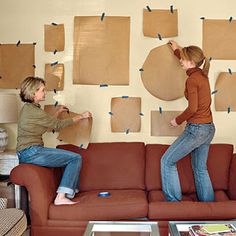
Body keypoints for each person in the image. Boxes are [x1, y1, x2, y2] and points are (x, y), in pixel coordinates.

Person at [16, 76, 92, 205]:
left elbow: (48, 125)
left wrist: (57, 113)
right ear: (33, 92)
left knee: (74, 158)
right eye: (42, 90)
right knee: (75, 158)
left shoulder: (31, 109)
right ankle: (61, 197)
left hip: (29, 152)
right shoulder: (33, 111)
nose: (45, 93)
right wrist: (81, 116)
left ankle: (68, 192)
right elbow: (57, 125)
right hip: (31, 152)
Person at [161, 40, 215, 202]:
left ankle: (174, 205)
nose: (180, 61)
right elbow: (188, 61)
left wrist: (177, 121)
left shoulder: (192, 80)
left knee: (167, 161)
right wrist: (177, 50)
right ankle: (210, 210)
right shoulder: (201, 75)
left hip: (197, 129)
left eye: (183, 59)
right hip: (208, 129)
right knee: (200, 169)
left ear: (191, 62)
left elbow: (193, 108)